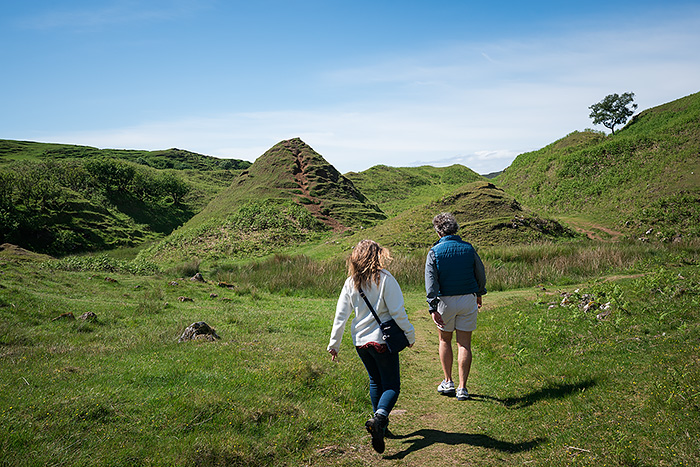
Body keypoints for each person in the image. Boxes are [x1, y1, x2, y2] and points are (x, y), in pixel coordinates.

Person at [328, 239, 416, 454]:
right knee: (392, 384)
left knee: (375, 381)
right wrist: (410, 334)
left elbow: (341, 316)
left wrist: (334, 344)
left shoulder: (351, 282)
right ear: (377, 254)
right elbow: (397, 312)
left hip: (360, 342)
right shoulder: (385, 279)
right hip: (382, 341)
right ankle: (379, 418)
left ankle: (381, 427)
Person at [425, 212, 486, 401]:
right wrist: (479, 293)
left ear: (438, 232)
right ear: (455, 229)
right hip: (468, 298)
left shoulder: (434, 252)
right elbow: (480, 272)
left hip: (445, 301)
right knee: (464, 343)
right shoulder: (468, 248)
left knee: (445, 340)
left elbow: (431, 282)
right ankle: (462, 388)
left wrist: (432, 306)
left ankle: (448, 381)